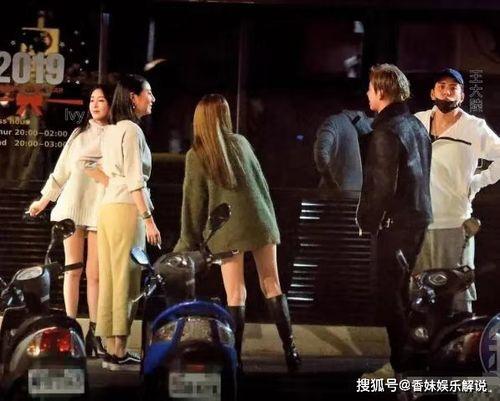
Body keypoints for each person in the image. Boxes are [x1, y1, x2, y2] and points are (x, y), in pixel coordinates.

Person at [174, 94, 301, 372]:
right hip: (261, 222)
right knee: (273, 285)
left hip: (229, 229)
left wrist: (186, 243)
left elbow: (193, 204)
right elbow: (262, 186)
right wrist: (270, 223)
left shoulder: (197, 154)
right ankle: (291, 351)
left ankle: (236, 358)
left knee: (235, 293)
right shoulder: (241, 143)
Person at [356, 64, 432, 378]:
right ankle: (413, 360)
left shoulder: (386, 130)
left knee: (389, 295)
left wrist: (368, 221)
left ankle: (401, 364)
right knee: (402, 293)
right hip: (417, 218)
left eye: (370, 88)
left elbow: (382, 186)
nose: (367, 94)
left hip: (395, 224)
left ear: (381, 91)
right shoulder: (416, 126)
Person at [28, 84, 114, 358]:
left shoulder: (118, 134)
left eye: (101, 100)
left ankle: (95, 334)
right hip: (73, 207)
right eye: (92, 100)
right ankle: (70, 329)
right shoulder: (78, 134)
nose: (95, 104)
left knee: (96, 274)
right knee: (72, 270)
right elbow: (61, 171)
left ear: (112, 104)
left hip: (102, 208)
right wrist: (43, 202)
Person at [414, 68, 500, 313]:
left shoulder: (474, 127)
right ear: (432, 93)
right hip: (419, 221)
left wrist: (477, 182)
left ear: (462, 96)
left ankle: (459, 337)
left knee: (458, 291)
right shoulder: (417, 121)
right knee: (419, 291)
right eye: (441, 86)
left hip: (454, 222)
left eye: (453, 87)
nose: (447, 91)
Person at [95, 74, 161, 371]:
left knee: (111, 278)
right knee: (127, 278)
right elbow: (136, 180)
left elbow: (95, 167)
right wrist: (149, 220)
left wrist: (114, 184)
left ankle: (111, 348)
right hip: (126, 211)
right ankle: (119, 348)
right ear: (133, 98)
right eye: (149, 93)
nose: (153, 98)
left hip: (108, 209)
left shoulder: (111, 130)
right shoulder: (132, 131)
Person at [313, 110, 372, 196]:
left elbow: (321, 153)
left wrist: (330, 182)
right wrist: (331, 183)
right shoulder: (335, 122)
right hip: (341, 196)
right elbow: (321, 153)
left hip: (341, 195)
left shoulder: (336, 122)